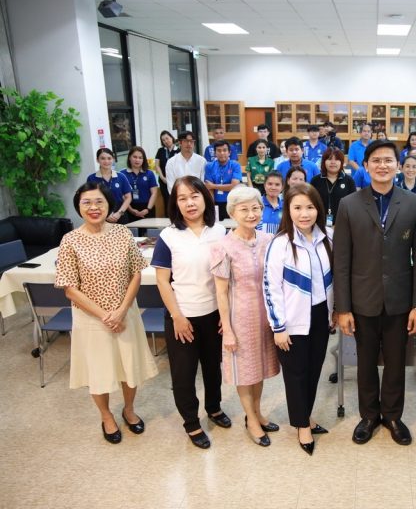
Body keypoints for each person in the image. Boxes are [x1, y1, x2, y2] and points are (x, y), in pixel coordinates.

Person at [334, 139, 416, 446]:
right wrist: (343, 308)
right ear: (365, 165)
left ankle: (392, 415)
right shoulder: (349, 204)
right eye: (376, 160)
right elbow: (341, 261)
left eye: (388, 160)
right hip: (362, 299)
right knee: (364, 362)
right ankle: (368, 415)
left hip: (400, 300)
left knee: (396, 362)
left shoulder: (413, 203)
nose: (382, 165)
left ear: (398, 166)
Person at [55, 182, 158, 444]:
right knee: (98, 371)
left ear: (108, 204)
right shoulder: (70, 240)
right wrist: (105, 315)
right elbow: (69, 289)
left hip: (126, 313)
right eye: (87, 202)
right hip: (91, 319)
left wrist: (121, 310)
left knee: (129, 366)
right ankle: (106, 416)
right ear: (79, 207)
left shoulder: (123, 233)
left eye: (99, 201)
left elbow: (136, 273)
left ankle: (129, 409)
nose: (94, 207)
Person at [151, 176, 229, 449]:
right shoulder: (168, 236)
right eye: (182, 198)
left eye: (194, 196)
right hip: (181, 315)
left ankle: (214, 408)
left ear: (205, 198)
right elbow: (162, 281)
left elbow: (226, 277)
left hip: (213, 313)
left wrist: (225, 315)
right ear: (175, 203)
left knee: (213, 367)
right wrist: (177, 317)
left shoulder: (219, 231)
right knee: (183, 374)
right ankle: (191, 422)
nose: (189, 203)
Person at [263, 183, 335, 456]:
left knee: (314, 371)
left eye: (310, 207)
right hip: (291, 321)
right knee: (296, 374)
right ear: (288, 210)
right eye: (297, 208)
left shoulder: (327, 237)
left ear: (318, 209)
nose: (304, 214)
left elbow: (334, 280)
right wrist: (278, 326)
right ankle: (302, 425)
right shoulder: (280, 243)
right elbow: (270, 287)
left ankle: (306, 415)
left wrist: (333, 312)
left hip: (320, 315)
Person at [210, 186, 280, 447]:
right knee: (244, 372)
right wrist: (227, 330)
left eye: (256, 208)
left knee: (259, 368)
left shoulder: (268, 240)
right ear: (232, 213)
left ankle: (258, 412)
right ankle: (250, 419)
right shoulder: (223, 246)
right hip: (240, 318)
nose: (251, 214)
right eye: (244, 209)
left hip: (266, 317)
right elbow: (220, 292)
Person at [310, 147, 356, 226]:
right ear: (324, 162)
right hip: (319, 224)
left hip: (343, 224)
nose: (333, 162)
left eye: (337, 159)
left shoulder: (349, 181)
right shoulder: (315, 181)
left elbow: (353, 205)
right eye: (329, 159)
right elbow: (311, 203)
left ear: (341, 162)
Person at [87, 147, 132, 224]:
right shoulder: (91, 178)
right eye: (103, 158)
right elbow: (90, 199)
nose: (106, 161)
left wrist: (119, 213)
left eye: (109, 158)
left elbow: (128, 197)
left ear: (113, 159)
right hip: (100, 216)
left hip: (120, 215)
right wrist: (106, 214)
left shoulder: (121, 176)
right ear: (97, 160)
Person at [203, 140, 242, 220]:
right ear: (215, 153)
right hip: (216, 202)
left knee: (233, 225)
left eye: (224, 150)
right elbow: (209, 189)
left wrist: (213, 186)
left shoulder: (235, 165)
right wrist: (211, 206)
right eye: (219, 151)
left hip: (233, 203)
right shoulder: (209, 166)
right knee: (217, 224)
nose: (222, 153)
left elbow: (233, 186)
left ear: (229, 152)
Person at [122, 146, 158, 222]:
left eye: (140, 158)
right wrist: (131, 210)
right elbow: (123, 195)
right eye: (135, 157)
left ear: (143, 159)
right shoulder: (122, 174)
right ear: (129, 157)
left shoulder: (149, 173)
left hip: (148, 207)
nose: (137, 160)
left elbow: (154, 193)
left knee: (149, 229)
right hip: (129, 208)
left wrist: (148, 209)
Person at [154, 130, 178, 204]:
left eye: (167, 138)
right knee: (167, 201)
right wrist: (163, 178)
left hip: (176, 181)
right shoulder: (160, 151)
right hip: (164, 181)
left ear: (171, 137)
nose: (166, 141)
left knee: (176, 201)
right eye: (163, 140)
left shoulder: (178, 150)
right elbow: (157, 165)